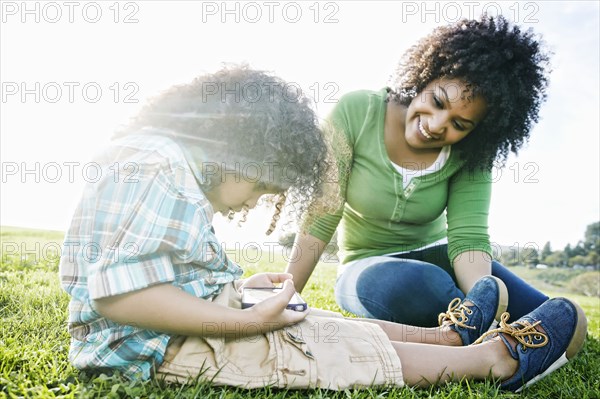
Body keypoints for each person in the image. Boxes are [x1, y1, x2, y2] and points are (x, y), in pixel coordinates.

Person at [59, 65, 586, 392]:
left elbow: (147, 274)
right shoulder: (159, 168)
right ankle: (490, 360)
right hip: (151, 347)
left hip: (166, 326)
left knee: (316, 323)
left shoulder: (166, 166)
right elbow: (120, 297)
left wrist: (242, 294)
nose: (259, 201)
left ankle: (446, 335)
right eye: (267, 189)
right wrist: (248, 321)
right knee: (314, 345)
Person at [285, 15, 553, 327]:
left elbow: (468, 238)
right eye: (438, 102)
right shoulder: (357, 111)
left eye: (459, 124)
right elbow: (323, 210)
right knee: (419, 287)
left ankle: (478, 327)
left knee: (553, 315)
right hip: (366, 267)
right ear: (427, 76)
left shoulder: (472, 152)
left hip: (440, 255)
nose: (437, 125)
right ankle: (482, 332)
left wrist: (481, 297)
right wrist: (287, 294)